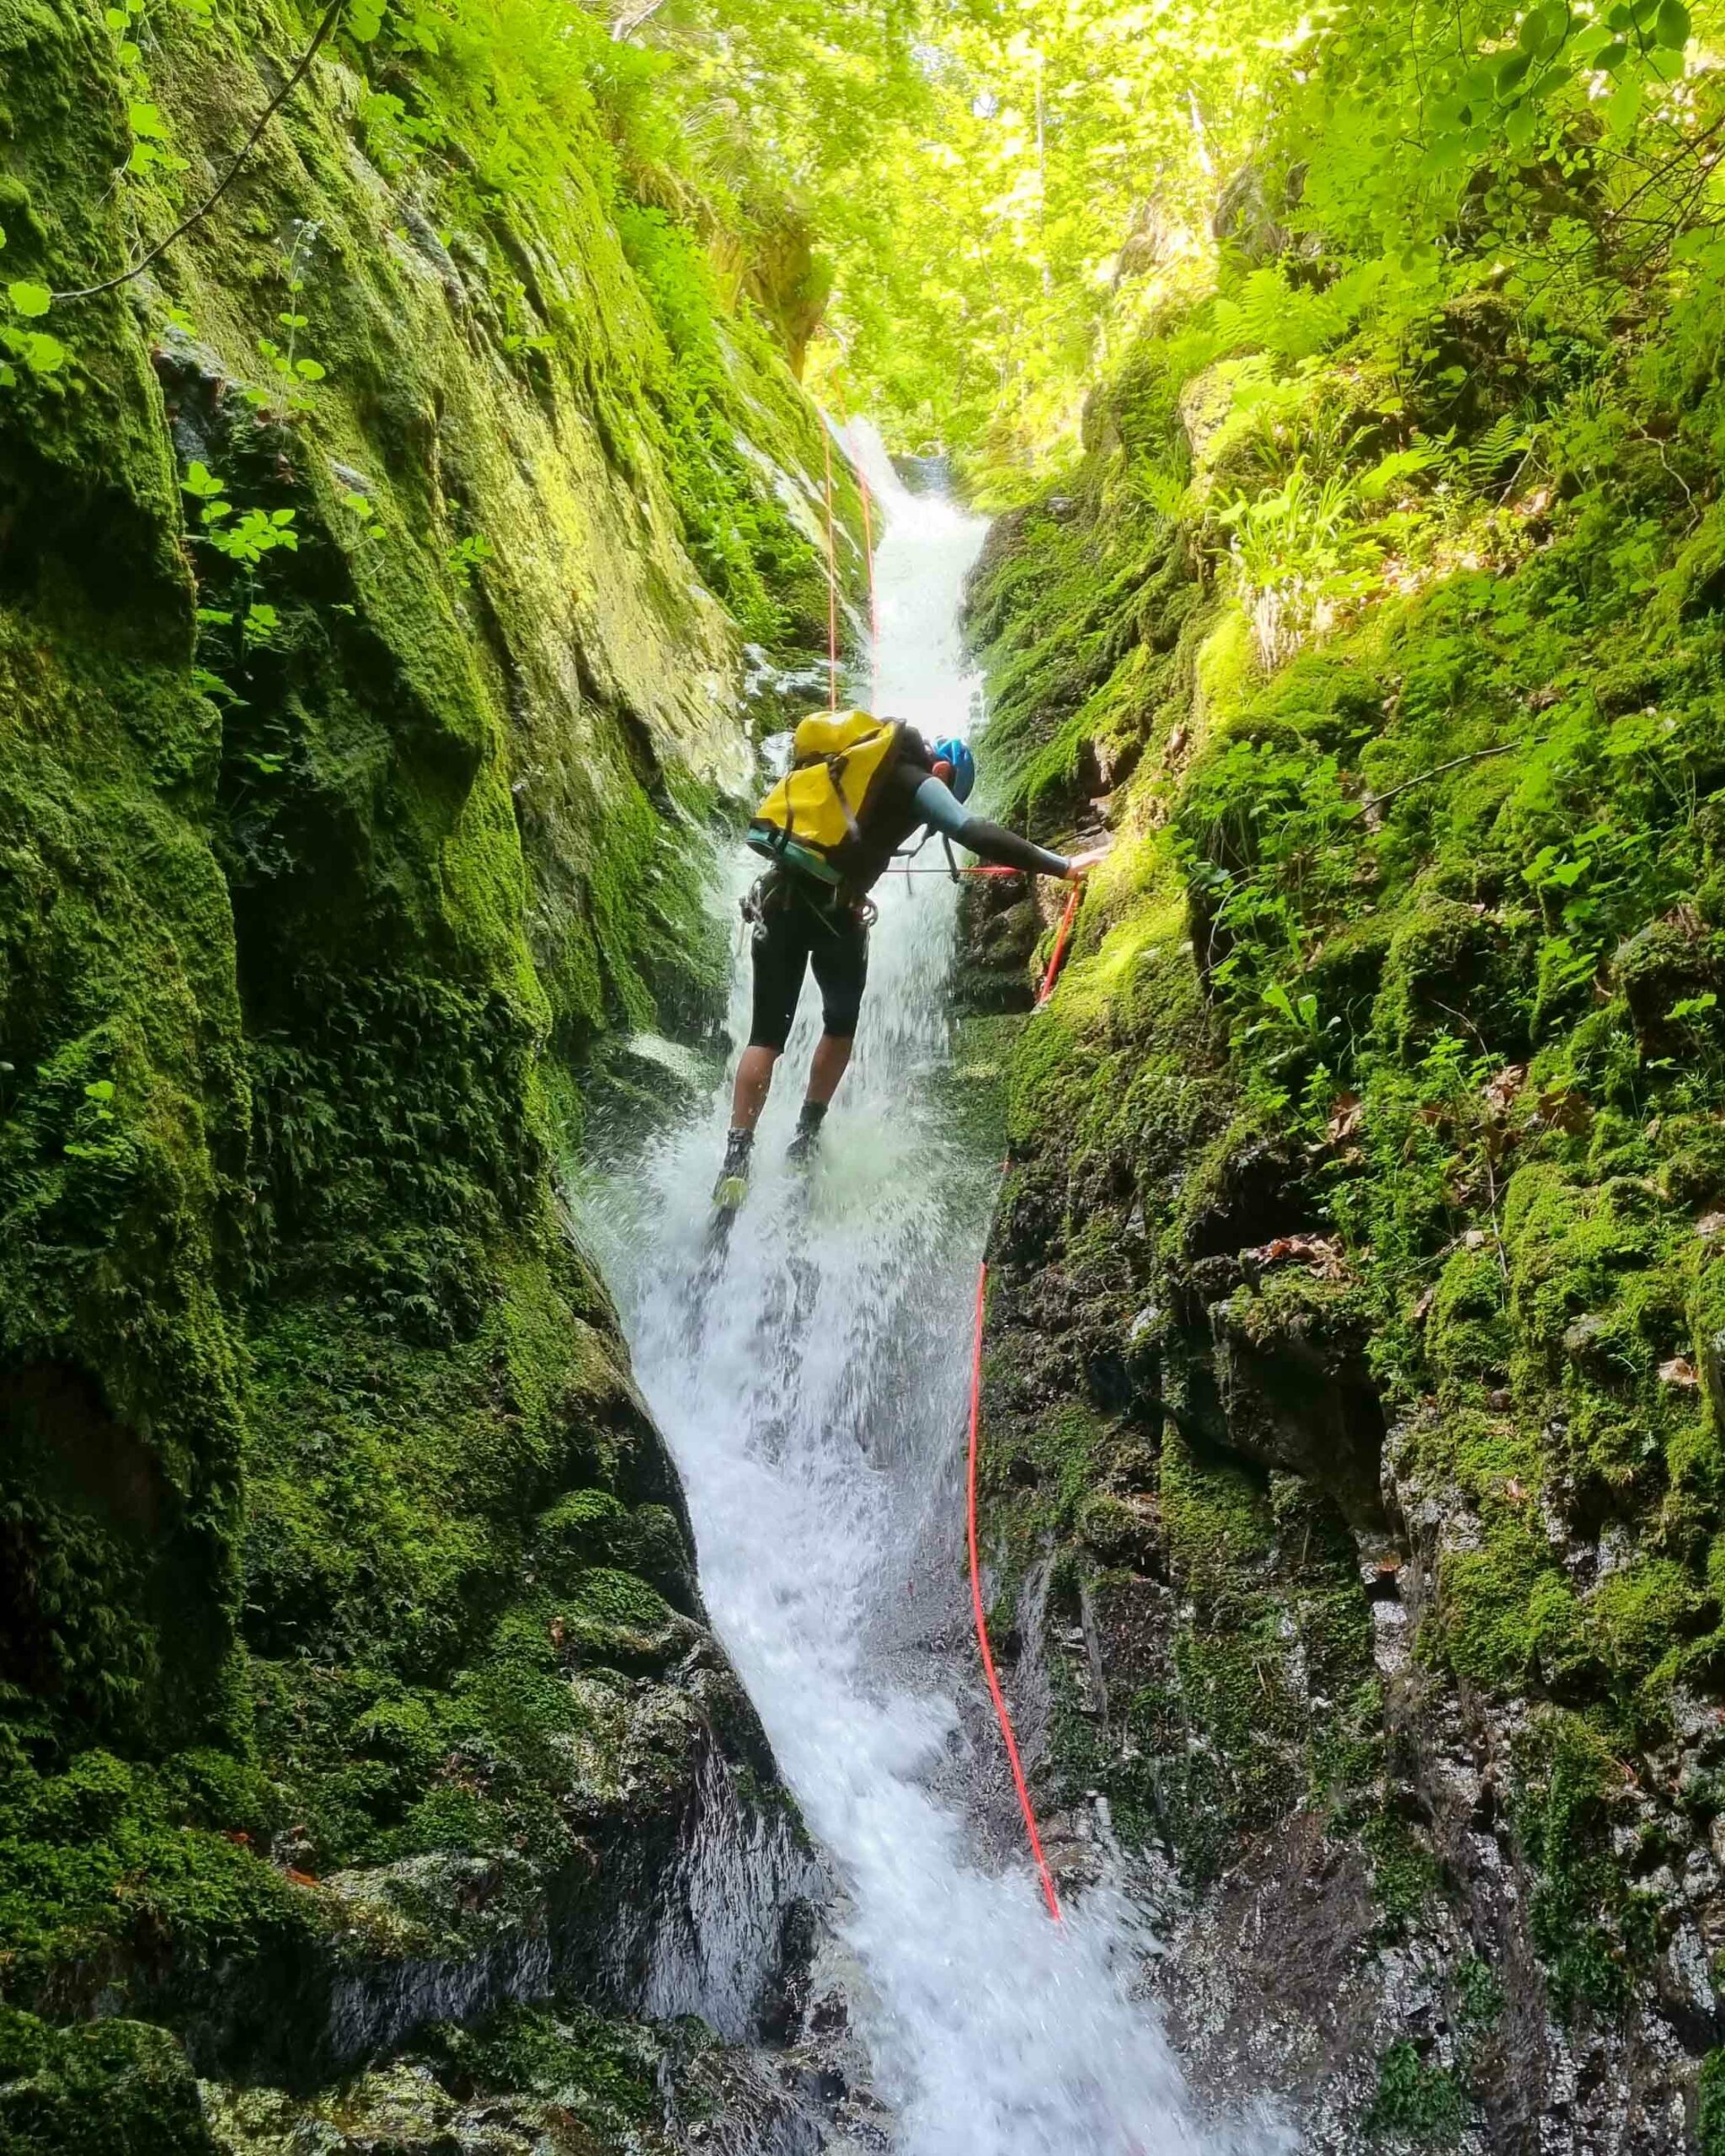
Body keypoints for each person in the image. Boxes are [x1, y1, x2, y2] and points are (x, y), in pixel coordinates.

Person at [713, 726, 1105, 1209]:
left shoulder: (848, 767)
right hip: (836, 917)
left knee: (765, 1038)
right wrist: (1061, 865)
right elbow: (971, 830)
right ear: (944, 770)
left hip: (775, 899)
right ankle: (805, 1137)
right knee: (839, 1026)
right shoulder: (918, 779)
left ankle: (736, 1156)